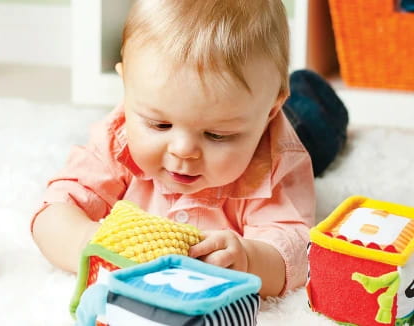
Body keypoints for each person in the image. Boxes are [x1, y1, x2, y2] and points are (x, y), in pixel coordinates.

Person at [31, 0, 348, 298]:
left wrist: (251, 259)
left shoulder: (277, 162)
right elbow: (56, 207)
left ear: (268, 113)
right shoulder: (118, 136)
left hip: (295, 128)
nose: (183, 151)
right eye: (160, 125)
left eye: (217, 135)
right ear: (126, 85)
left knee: (313, 120)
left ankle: (308, 89)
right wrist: (87, 241)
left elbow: (295, 249)